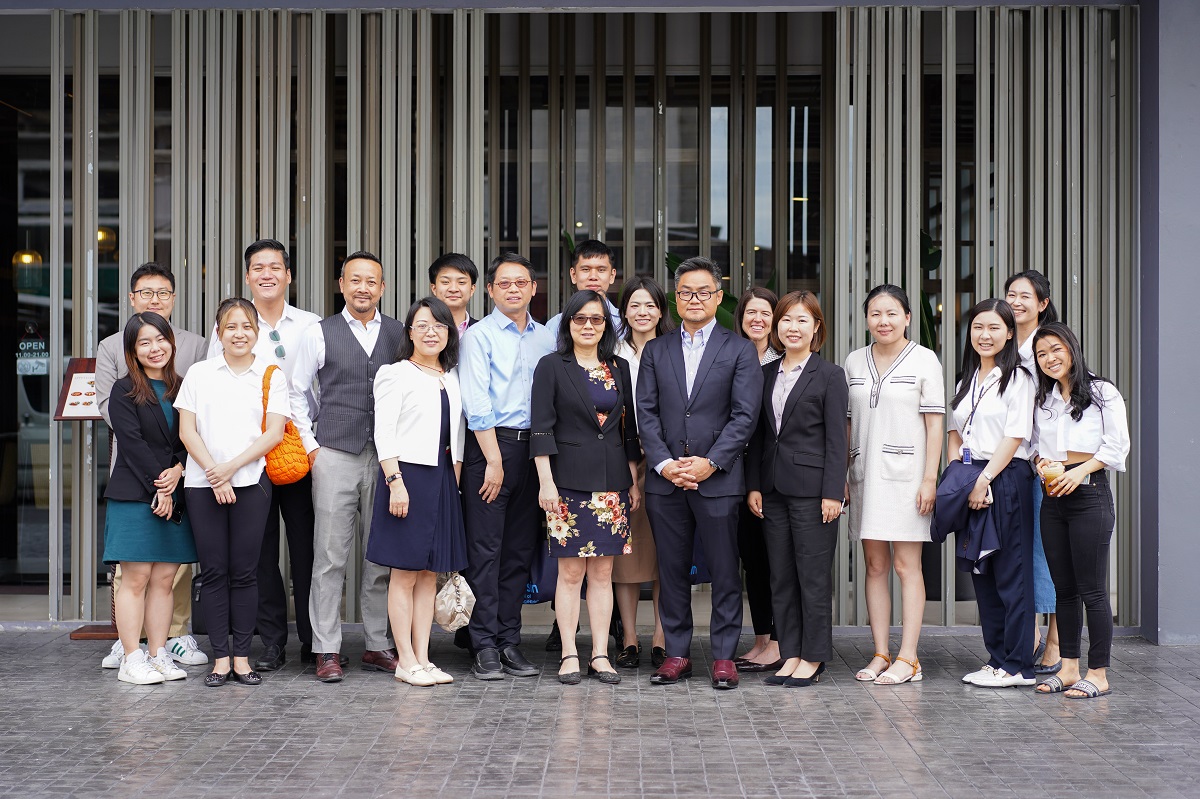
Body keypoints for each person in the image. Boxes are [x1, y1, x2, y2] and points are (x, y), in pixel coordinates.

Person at [636, 256, 762, 690]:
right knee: (670, 572)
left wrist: (711, 463)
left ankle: (724, 656)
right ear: (676, 297)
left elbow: (745, 416)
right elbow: (646, 413)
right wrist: (665, 464)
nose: (694, 299)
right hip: (666, 481)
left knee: (725, 571)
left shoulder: (739, 349)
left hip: (719, 481)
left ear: (718, 296)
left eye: (703, 292)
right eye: (686, 292)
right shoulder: (656, 350)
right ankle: (677, 654)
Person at [290, 251, 409, 682]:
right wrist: (312, 448)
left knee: (381, 555)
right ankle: (326, 649)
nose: (363, 288)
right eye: (355, 280)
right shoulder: (319, 333)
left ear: (382, 288)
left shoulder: (399, 333)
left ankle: (377, 644)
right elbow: (296, 391)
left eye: (371, 281)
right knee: (329, 556)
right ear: (341, 285)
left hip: (387, 457)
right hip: (335, 454)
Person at [207, 239, 322, 672]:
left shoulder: (311, 325)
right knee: (259, 552)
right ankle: (272, 641)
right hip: (248, 456)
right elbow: (214, 387)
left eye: (275, 267)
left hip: (297, 452)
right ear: (248, 276)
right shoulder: (230, 326)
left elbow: (322, 387)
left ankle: (314, 641)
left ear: (288, 275)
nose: (267, 274)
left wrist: (313, 443)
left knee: (307, 549)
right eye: (258, 267)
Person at [96, 262, 209, 671]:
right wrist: (161, 484)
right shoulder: (123, 383)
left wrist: (179, 471)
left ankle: (161, 651)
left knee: (165, 578)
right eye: (145, 343)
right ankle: (130, 653)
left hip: (177, 485)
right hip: (136, 486)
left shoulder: (184, 380)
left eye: (161, 340)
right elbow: (127, 435)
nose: (155, 348)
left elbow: (195, 431)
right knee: (135, 576)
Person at [531, 290, 641, 685]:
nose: (589, 326)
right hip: (566, 484)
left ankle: (600, 654)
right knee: (571, 573)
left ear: (606, 326)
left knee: (603, 572)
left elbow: (628, 429)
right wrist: (546, 483)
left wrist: (632, 480)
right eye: (580, 319)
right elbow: (541, 429)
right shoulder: (551, 366)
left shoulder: (618, 367)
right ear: (568, 324)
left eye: (596, 319)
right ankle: (568, 654)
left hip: (612, 485)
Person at [176, 298, 287, 686]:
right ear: (218, 332)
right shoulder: (199, 374)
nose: (239, 334)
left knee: (244, 573)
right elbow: (187, 431)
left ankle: (242, 658)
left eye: (247, 327)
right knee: (213, 572)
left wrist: (230, 469)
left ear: (257, 332)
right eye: (231, 327)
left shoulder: (271, 374)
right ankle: (220, 659)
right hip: (202, 485)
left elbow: (274, 433)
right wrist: (215, 473)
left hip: (252, 483)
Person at [459, 253, 557, 680]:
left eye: (521, 282)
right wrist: (494, 461)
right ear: (490, 290)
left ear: (533, 288)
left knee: (518, 550)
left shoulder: (546, 338)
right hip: (490, 449)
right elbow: (476, 401)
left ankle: (508, 640)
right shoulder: (478, 337)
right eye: (504, 283)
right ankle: (483, 644)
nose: (513, 289)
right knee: (486, 551)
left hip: (534, 451)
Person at [746, 291, 848, 688]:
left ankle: (813, 657)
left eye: (802, 320)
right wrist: (754, 485)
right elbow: (758, 436)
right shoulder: (766, 373)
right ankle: (790, 653)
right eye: (787, 319)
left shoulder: (829, 375)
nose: (793, 327)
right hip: (772, 489)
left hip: (813, 491)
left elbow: (837, 440)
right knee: (781, 576)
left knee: (813, 577)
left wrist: (833, 492)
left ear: (816, 327)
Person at [845, 285, 944, 685]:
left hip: (908, 481)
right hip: (864, 476)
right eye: (875, 314)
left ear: (907, 317)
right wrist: (843, 475)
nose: (883, 321)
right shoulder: (854, 361)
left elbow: (935, 424)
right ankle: (881, 653)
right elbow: (848, 424)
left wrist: (929, 479)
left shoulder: (924, 360)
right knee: (875, 566)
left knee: (906, 566)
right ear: (866, 319)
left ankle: (909, 657)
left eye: (891, 313)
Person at [367, 297, 468, 687]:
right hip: (407, 477)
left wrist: (454, 482)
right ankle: (404, 660)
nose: (431, 332)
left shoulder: (451, 376)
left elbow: (456, 435)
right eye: (422, 325)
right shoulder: (395, 373)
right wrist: (395, 482)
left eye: (439, 326)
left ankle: (423, 658)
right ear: (409, 332)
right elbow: (384, 432)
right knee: (404, 573)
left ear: (449, 333)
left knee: (429, 574)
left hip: (442, 478)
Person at [1030, 323, 1129, 699]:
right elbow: (1035, 445)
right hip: (1053, 499)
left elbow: (1117, 446)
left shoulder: (1102, 393)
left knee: (1093, 591)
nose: (1049, 358)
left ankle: (1098, 673)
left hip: (1090, 496)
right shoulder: (1045, 399)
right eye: (1041, 354)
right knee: (1064, 590)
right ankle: (1069, 669)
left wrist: (1079, 470)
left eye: (1056, 349)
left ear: (1072, 348)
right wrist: (1040, 462)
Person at [949, 298, 1037, 688]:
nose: (985, 335)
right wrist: (961, 476)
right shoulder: (966, 380)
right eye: (978, 327)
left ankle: (1018, 665)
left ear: (1009, 333)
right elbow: (955, 433)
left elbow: (1014, 436)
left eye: (994, 328)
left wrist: (983, 480)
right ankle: (996, 658)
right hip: (973, 478)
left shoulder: (1019, 379)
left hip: (1005, 477)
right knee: (982, 570)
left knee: (1011, 573)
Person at [1004, 269, 1061, 674]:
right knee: (1022, 553)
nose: (1016, 302)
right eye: (1011, 294)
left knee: (1048, 553)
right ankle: (1033, 636)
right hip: (1012, 463)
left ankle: (1056, 640)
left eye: (1025, 296)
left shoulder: (1050, 346)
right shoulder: (1003, 343)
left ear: (1042, 303)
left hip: (1046, 464)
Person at [612, 276, 670, 669]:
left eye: (650, 305)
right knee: (626, 555)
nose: (643, 312)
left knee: (666, 551)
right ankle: (630, 638)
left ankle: (662, 637)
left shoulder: (674, 348)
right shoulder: (611, 351)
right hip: (620, 457)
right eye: (635, 305)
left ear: (661, 311)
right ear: (624, 311)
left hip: (666, 458)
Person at [732, 286, 782, 673]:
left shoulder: (785, 361)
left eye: (766, 313)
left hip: (772, 474)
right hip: (733, 472)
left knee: (775, 560)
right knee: (752, 561)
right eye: (751, 312)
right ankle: (762, 639)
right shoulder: (729, 355)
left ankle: (780, 642)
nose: (758, 319)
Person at [545, 239, 624, 336]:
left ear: (612, 276)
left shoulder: (625, 323)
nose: (593, 277)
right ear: (573, 275)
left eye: (601, 270)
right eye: (586, 269)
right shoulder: (555, 325)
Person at [429, 252, 480, 336]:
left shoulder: (484, 331)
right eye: (445, 282)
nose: (453, 289)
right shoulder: (421, 331)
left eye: (461, 282)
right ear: (434, 288)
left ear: (472, 289)